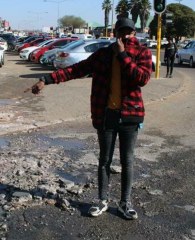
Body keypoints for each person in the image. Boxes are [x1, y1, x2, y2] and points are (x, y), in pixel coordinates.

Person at [25, 18, 152, 220]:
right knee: (104, 161)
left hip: (130, 115)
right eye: (122, 32)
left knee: (127, 161)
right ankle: (102, 200)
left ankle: (124, 203)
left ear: (134, 34)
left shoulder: (143, 53)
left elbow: (142, 79)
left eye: (129, 33)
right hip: (106, 115)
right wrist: (46, 79)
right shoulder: (103, 55)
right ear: (115, 33)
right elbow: (77, 70)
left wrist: (123, 56)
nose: (126, 36)